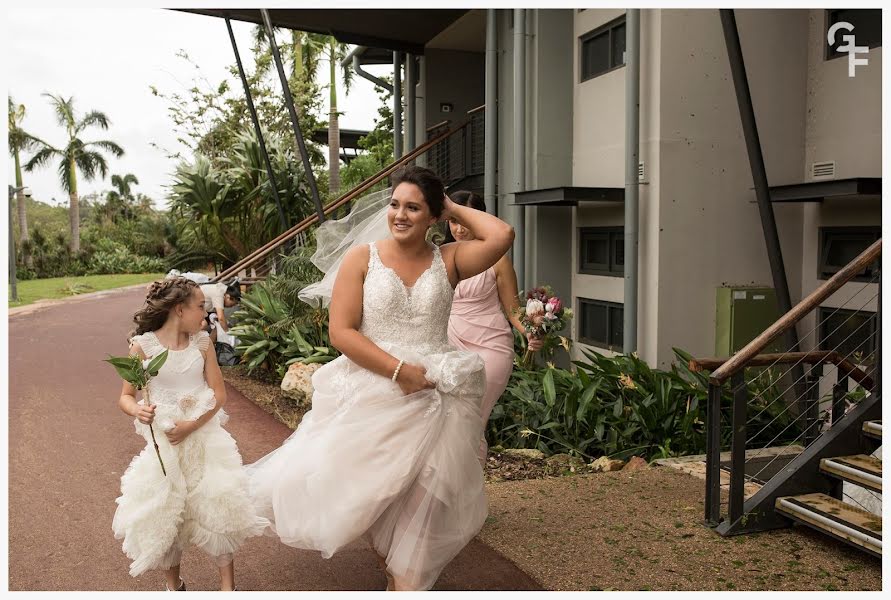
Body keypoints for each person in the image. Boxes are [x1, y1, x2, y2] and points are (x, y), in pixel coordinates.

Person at [245, 166, 515, 591]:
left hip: (435, 397)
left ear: (433, 216)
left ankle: (404, 579)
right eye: (394, 204)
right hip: (375, 390)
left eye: (413, 207)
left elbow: (502, 236)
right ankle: (397, 571)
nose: (400, 214)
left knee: (424, 496)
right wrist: (398, 371)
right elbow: (342, 331)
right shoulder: (362, 258)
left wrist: (449, 205)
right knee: (373, 493)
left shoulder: (449, 259)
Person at [112, 277, 268, 591]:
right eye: (200, 306)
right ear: (180, 310)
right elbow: (125, 397)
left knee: (216, 505)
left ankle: (228, 587)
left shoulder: (202, 343)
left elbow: (219, 394)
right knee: (166, 513)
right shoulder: (143, 347)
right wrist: (138, 410)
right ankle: (174, 587)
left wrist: (192, 425)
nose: (206, 312)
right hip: (166, 446)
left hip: (204, 440)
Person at [444, 191, 543, 463]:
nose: (459, 228)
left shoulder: (497, 259)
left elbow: (513, 309)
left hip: (491, 347)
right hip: (449, 347)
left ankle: (467, 489)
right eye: (453, 221)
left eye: (464, 220)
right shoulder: (439, 255)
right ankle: (460, 491)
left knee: (473, 419)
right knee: (449, 420)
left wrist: (529, 332)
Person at [199, 280, 241, 345]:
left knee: (217, 325)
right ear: (228, 297)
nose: (231, 307)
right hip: (191, 306)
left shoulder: (224, 290)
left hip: (203, 308)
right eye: (232, 304)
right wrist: (228, 334)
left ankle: (210, 345)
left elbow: (220, 319)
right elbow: (221, 318)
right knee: (203, 325)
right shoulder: (219, 294)